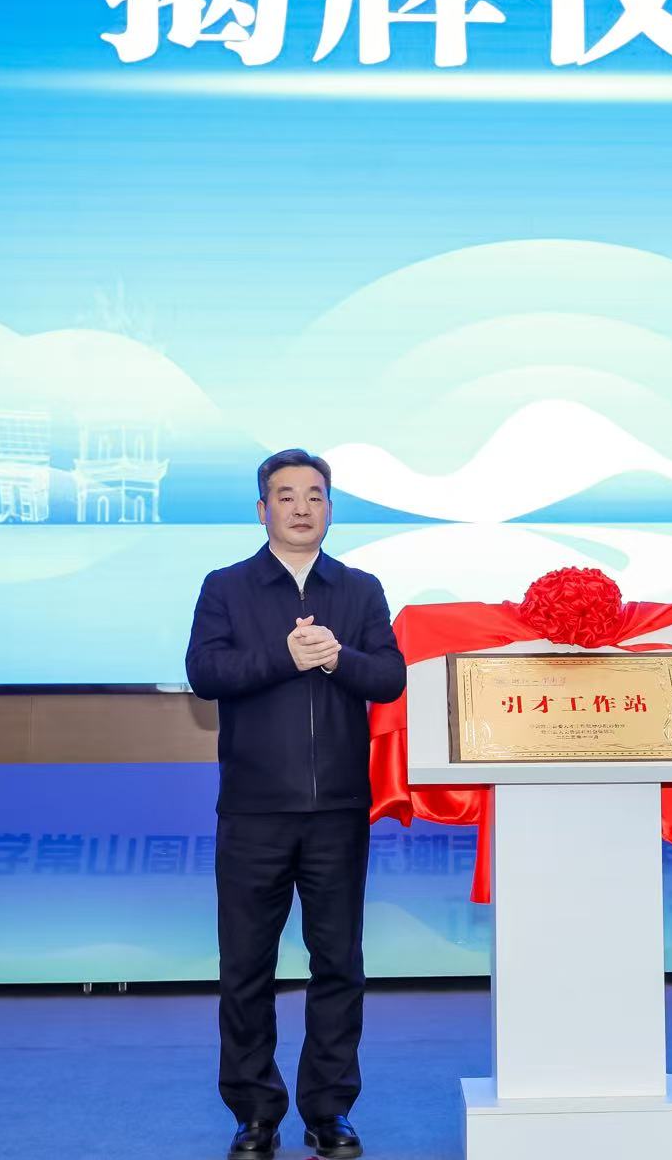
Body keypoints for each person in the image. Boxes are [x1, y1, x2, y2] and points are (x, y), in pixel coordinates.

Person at [186, 448, 407, 1160]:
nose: (301, 507)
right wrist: (286, 655)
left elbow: (390, 676)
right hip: (253, 812)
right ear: (263, 510)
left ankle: (329, 1110)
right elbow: (205, 671)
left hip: (338, 811)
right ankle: (254, 1112)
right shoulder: (226, 586)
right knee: (245, 967)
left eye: (314, 495)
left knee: (337, 965)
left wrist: (337, 656)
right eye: (286, 496)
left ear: (330, 509)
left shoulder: (361, 589)